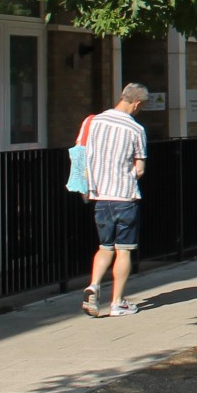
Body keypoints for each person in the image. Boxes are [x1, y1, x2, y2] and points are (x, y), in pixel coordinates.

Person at [82, 83, 151, 318]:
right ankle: (117, 302)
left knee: (104, 247)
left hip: (100, 196)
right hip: (124, 196)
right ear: (137, 103)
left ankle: (93, 285)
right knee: (124, 251)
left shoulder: (96, 122)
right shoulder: (135, 129)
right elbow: (139, 168)